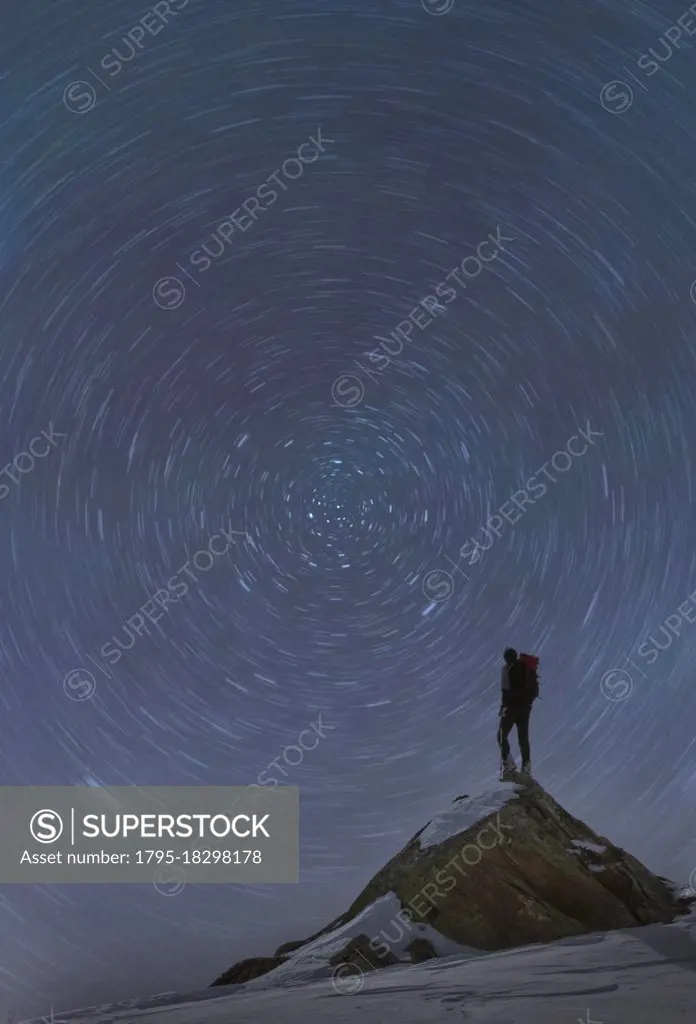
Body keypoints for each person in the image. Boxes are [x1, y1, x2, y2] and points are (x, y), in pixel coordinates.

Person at [497, 647, 534, 777]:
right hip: (525, 709)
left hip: (512, 708)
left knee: (501, 735)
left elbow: (505, 691)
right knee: (523, 738)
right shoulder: (525, 668)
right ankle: (526, 766)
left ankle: (509, 762)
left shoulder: (506, 669)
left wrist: (504, 707)